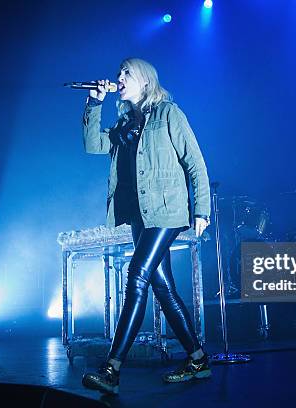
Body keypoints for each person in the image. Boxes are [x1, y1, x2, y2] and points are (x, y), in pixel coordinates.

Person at [81, 58, 212, 394]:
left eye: (126, 73)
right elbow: (92, 144)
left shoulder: (169, 113)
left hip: (167, 213)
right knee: (163, 288)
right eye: (118, 73)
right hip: (140, 216)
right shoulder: (125, 123)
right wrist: (95, 101)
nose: (118, 77)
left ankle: (112, 369)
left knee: (136, 277)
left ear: (145, 81)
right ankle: (197, 358)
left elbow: (195, 163)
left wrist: (202, 210)